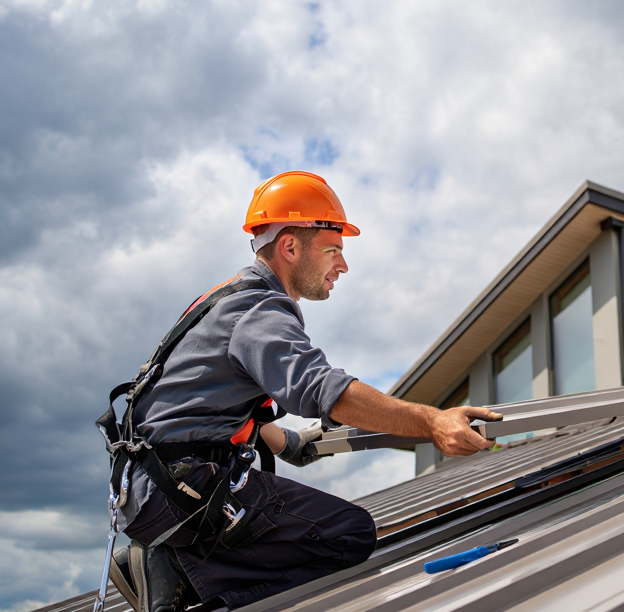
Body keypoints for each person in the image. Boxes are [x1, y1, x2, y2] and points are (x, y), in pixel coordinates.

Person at [100, 171, 501, 611]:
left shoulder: (226, 300)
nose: (343, 266)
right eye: (333, 250)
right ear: (290, 247)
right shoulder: (257, 310)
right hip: (179, 491)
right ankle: (172, 573)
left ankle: (175, 570)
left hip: (155, 487)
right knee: (347, 535)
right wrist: (433, 421)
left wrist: (290, 443)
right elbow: (329, 392)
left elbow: (202, 410)